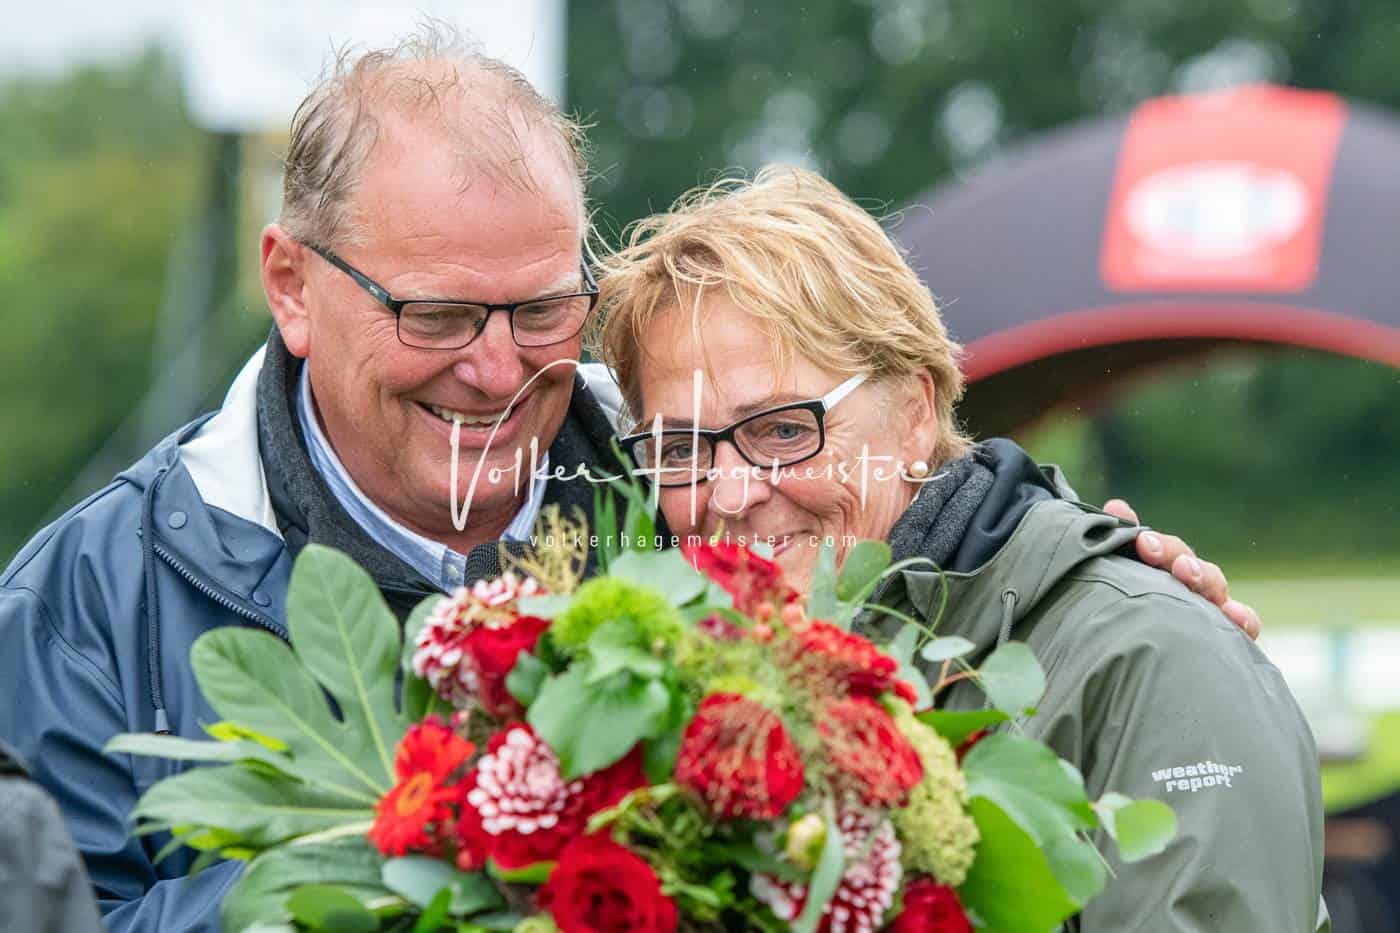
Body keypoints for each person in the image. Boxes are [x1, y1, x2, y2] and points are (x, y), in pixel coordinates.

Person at [0, 28, 1254, 932]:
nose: (497, 371)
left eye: (544, 309)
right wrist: (434, 856)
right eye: (436, 315)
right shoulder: (82, 609)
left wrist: (1081, 565)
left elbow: (899, 505)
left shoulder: (685, 469)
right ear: (290, 286)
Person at [596, 166, 1327, 931]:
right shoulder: (666, 688)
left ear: (914, 414)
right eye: (679, 447)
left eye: (783, 430)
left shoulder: (1145, 661)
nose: (729, 493)